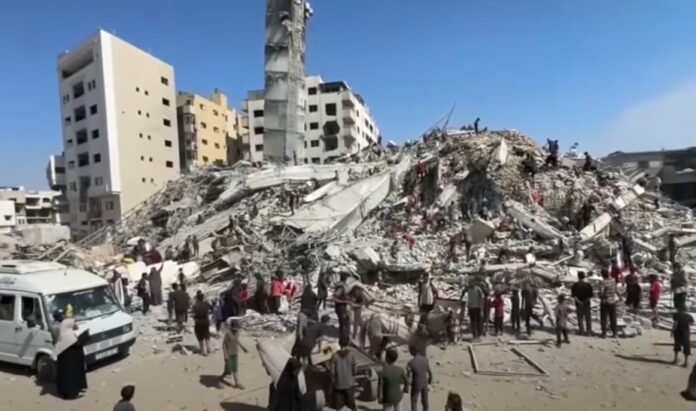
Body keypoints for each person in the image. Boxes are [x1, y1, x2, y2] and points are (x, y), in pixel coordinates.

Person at [53, 305, 88, 399]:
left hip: (66, 352)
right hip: (66, 352)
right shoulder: (58, 326)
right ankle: (70, 393)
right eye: (62, 315)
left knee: (67, 373)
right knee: (69, 374)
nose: (64, 317)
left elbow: (74, 327)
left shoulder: (61, 325)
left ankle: (70, 390)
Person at [331, 336, 357, 411]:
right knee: (352, 405)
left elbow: (332, 371)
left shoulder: (334, 356)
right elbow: (354, 368)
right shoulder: (351, 355)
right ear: (348, 343)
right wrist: (353, 375)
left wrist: (333, 382)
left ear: (339, 344)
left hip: (338, 384)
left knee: (338, 407)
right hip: (349, 383)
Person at [220, 319, 248, 389]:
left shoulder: (237, 332)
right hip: (228, 354)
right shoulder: (228, 333)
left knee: (235, 369)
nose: (236, 329)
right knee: (228, 369)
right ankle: (221, 378)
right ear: (231, 327)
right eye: (234, 327)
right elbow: (224, 344)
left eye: (237, 327)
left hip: (235, 353)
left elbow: (237, 340)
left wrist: (243, 347)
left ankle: (237, 383)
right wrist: (225, 354)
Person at [406, 345, 432, 411]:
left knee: (414, 400)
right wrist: (430, 380)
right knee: (425, 400)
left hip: (416, 382)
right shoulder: (425, 360)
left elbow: (408, 376)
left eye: (410, 351)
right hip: (424, 381)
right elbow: (430, 372)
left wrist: (407, 385)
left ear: (413, 351)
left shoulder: (410, 362)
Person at [571, 271, 593, 336]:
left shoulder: (575, 285)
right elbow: (590, 295)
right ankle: (589, 332)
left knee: (580, 318)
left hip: (578, 304)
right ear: (584, 277)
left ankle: (581, 331)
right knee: (588, 318)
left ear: (578, 277)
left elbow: (574, 296)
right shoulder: (588, 285)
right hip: (587, 303)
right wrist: (585, 301)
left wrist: (579, 302)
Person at [599, 268, 618, 338]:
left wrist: (600, 295)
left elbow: (601, 293)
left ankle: (604, 333)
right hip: (612, 301)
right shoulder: (613, 280)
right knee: (613, 318)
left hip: (605, 302)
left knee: (604, 318)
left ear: (602, 274)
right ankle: (615, 333)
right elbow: (615, 290)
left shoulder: (602, 282)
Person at [334, 273, 352, 342]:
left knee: (344, 323)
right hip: (341, 308)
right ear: (345, 278)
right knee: (345, 323)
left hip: (344, 307)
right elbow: (335, 297)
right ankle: (343, 339)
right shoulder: (341, 286)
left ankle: (343, 338)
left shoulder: (343, 285)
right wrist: (345, 301)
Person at [192, 290, 212, 355]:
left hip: (198, 321)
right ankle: (208, 347)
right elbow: (211, 307)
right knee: (207, 334)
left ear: (197, 298)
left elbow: (193, 313)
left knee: (200, 336)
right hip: (205, 320)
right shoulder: (206, 304)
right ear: (203, 297)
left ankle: (203, 350)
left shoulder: (195, 305)